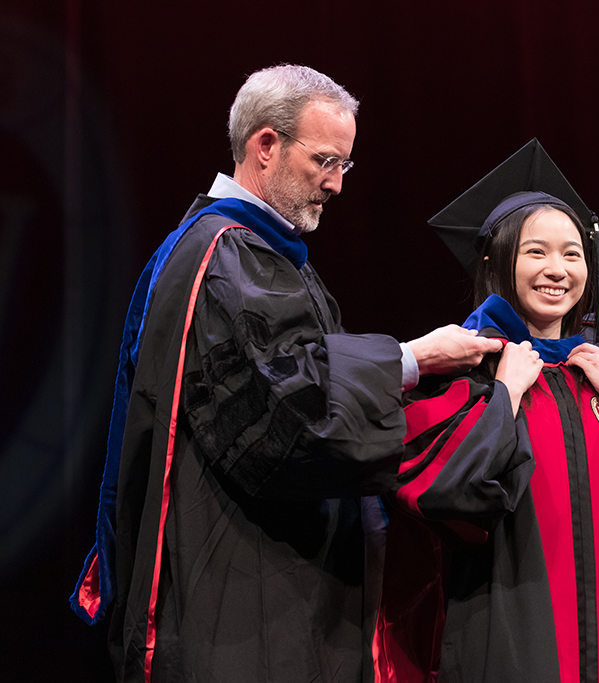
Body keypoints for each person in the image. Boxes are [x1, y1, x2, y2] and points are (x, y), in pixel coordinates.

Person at [69, 64, 501, 683]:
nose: (336, 185)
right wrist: (411, 359)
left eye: (344, 166)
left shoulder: (239, 251)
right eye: (325, 161)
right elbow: (289, 418)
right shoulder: (230, 255)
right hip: (238, 601)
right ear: (265, 145)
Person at [372, 141, 599, 683]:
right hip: (507, 632)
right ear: (497, 260)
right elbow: (443, 497)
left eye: (573, 254)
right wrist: (504, 398)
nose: (558, 270)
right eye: (536, 252)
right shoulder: (462, 374)